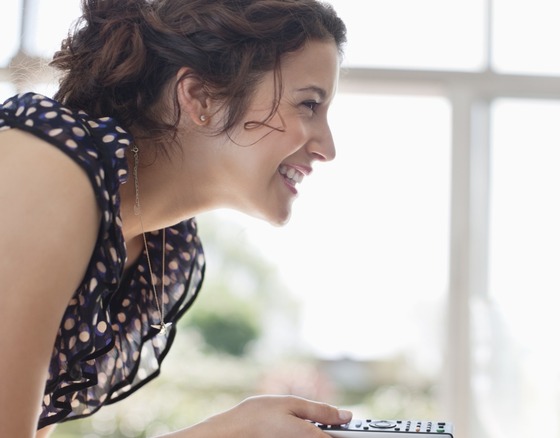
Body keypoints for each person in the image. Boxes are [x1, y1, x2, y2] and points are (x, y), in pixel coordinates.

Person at [0, 0, 351, 436]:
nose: (327, 147)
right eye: (309, 105)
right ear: (200, 97)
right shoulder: (48, 173)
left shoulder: (152, 247)